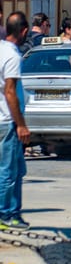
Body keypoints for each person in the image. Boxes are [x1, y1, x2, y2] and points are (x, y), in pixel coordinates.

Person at [0, 12, 30, 229]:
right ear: (24, 32)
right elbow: (10, 92)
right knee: (8, 171)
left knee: (17, 169)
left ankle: (13, 212)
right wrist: (20, 124)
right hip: (8, 121)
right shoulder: (12, 56)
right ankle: (6, 214)